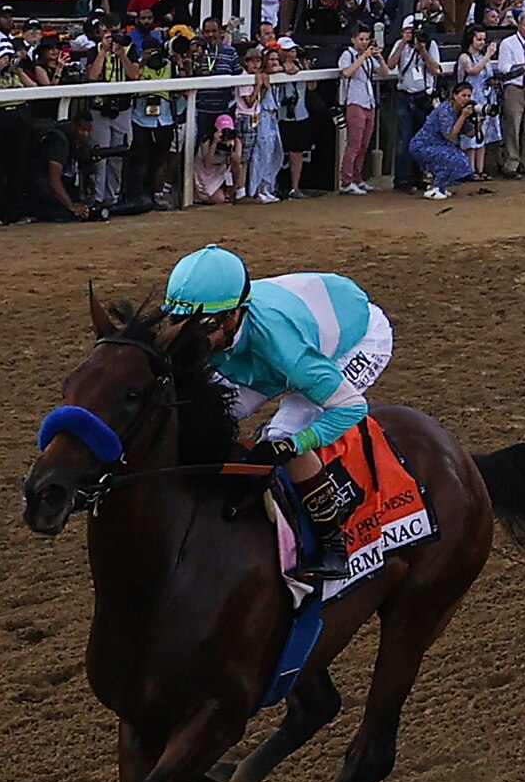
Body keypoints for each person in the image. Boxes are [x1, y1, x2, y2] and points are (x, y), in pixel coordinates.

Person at [159, 248, 393, 581]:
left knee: (280, 434)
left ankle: (333, 544)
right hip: (281, 335)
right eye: (178, 322)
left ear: (232, 317)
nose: (186, 335)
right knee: (212, 409)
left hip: (357, 340)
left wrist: (297, 444)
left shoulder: (284, 349)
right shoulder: (223, 321)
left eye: (202, 325)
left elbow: (351, 407)